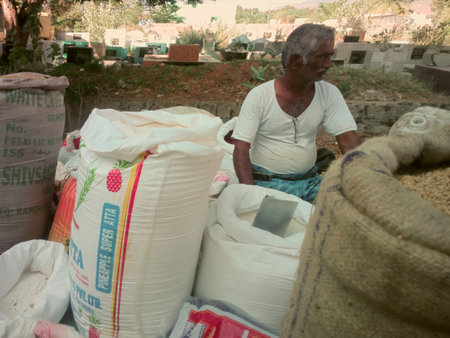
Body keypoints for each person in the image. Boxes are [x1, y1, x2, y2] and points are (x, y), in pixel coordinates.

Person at [232, 23, 361, 203]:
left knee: (348, 206)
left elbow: (348, 140)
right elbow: (241, 149)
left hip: (311, 182)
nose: (329, 64)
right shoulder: (260, 96)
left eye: (330, 56)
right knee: (278, 225)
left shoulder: (329, 93)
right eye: (322, 57)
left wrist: (365, 178)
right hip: (268, 183)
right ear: (295, 61)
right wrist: (250, 195)